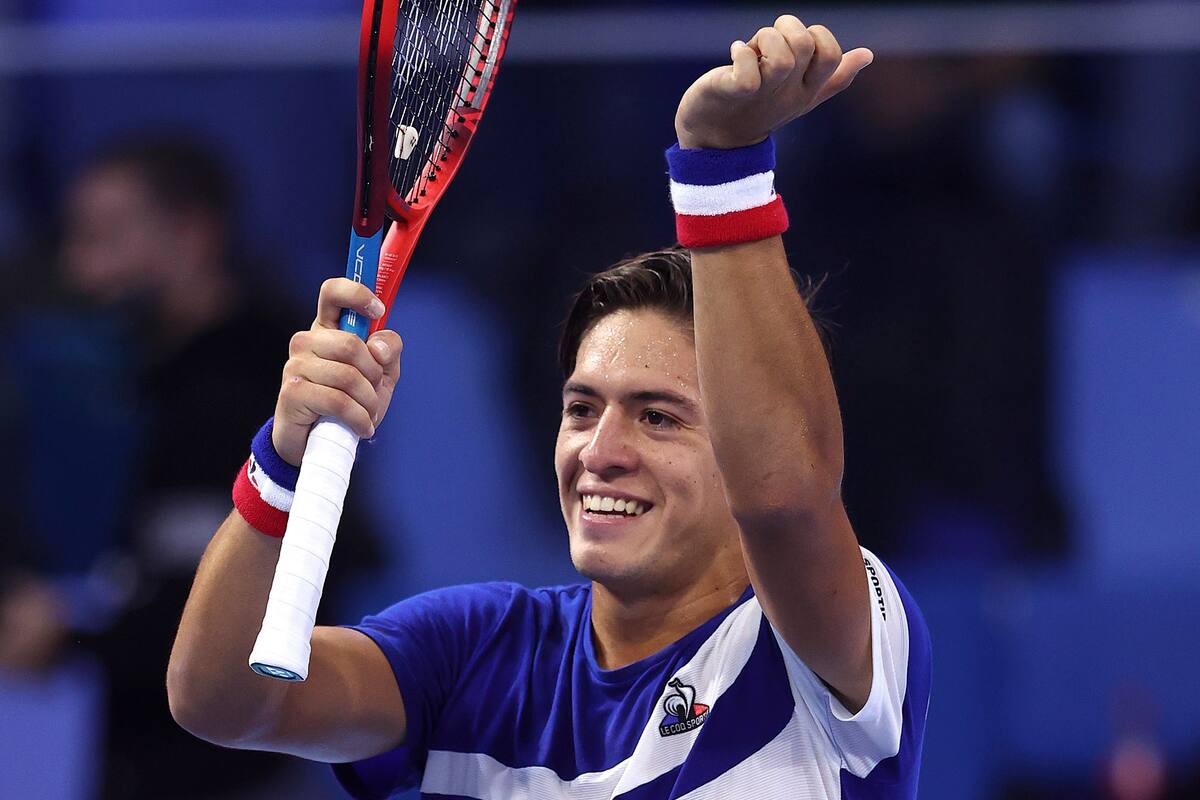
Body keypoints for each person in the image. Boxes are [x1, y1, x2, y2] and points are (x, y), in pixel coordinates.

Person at [168, 16, 931, 798]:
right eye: (580, 408)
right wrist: (282, 463)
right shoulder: (477, 649)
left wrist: (723, 167)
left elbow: (785, 497)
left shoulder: (824, 646)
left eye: (658, 416)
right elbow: (222, 700)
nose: (601, 449)